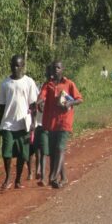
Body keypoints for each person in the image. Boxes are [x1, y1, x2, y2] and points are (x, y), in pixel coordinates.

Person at [38, 60, 83, 188]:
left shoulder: (69, 84)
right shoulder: (48, 85)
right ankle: (63, 178)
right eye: (54, 68)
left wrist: (70, 103)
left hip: (65, 121)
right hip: (52, 123)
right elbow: (42, 96)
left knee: (60, 148)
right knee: (54, 151)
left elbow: (79, 99)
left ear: (62, 69)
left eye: (58, 68)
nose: (56, 70)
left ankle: (53, 176)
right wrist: (39, 102)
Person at [0, 55, 39, 190]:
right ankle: (8, 177)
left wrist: (33, 122)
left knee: (23, 154)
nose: (14, 68)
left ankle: (18, 179)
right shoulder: (5, 84)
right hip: (8, 124)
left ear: (22, 66)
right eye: (12, 65)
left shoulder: (29, 82)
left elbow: (33, 104)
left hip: (23, 124)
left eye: (17, 65)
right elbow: (2, 105)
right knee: (6, 153)